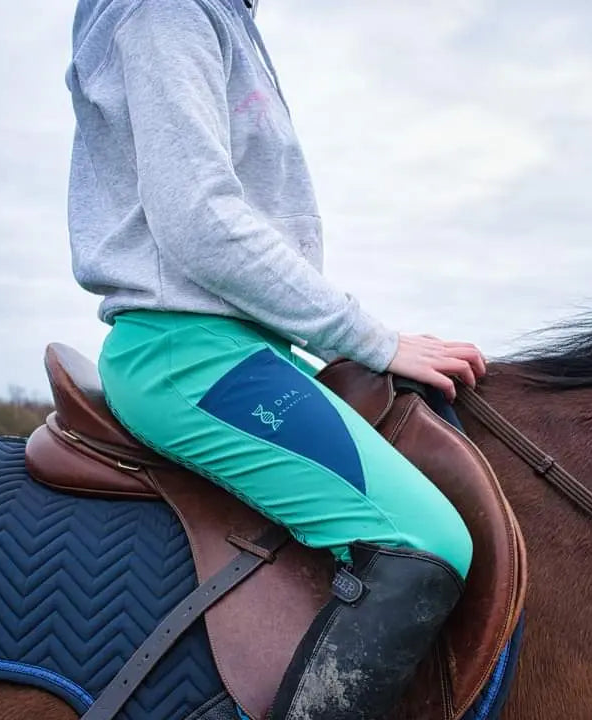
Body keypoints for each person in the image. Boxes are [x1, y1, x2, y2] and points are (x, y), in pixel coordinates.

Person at [64, 0, 486, 716]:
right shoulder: (166, 12)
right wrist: (371, 340)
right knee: (427, 539)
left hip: (253, 349)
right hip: (189, 357)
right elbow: (197, 217)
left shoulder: (226, 20)